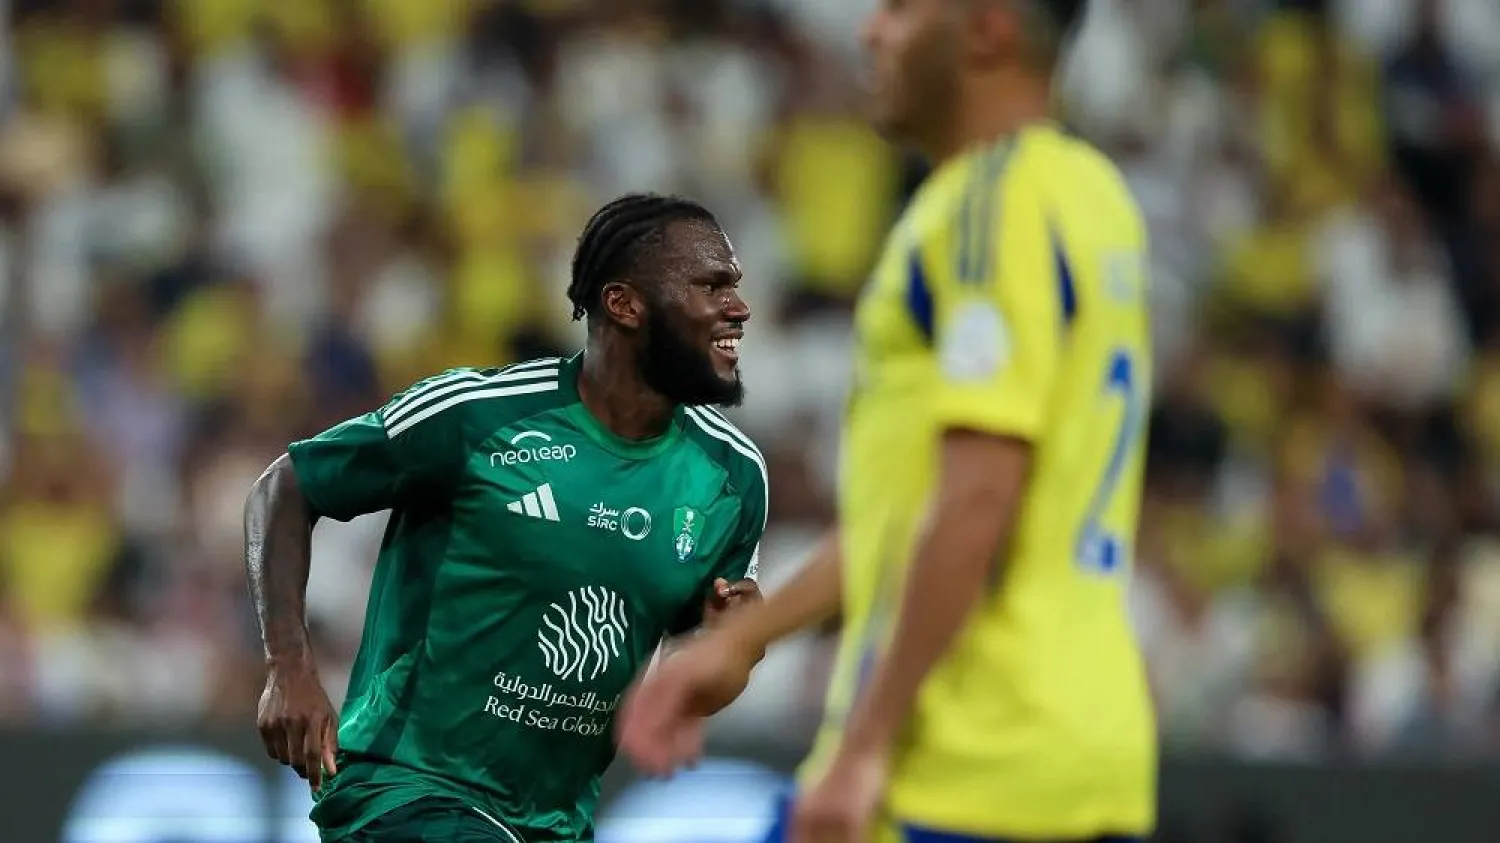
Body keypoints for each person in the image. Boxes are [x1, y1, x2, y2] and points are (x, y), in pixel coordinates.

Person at [617, 2, 1157, 843]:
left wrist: (863, 746)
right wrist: (744, 638)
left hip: (963, 760)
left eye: (904, 8)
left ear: (988, 28)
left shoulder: (988, 205)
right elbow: (917, 510)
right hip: (1074, 743)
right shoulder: (1093, 197)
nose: (872, 31)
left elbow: (977, 500)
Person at [245, 193, 768, 843]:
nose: (739, 308)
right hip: (407, 787)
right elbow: (288, 486)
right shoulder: (479, 415)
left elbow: (680, 679)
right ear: (625, 303)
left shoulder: (732, 476)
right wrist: (288, 665)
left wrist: (726, 657)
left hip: (552, 821)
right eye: (712, 285)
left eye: (737, 287)